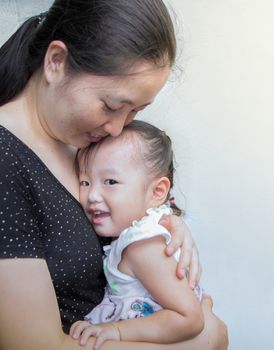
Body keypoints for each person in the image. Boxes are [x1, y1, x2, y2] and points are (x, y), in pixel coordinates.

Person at [0, 1, 228, 349]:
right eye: (111, 106)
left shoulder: (86, 147)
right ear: (56, 62)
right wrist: (201, 342)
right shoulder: (6, 161)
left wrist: (162, 224)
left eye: (135, 111)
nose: (118, 127)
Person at [70, 120, 204, 350]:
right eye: (85, 182)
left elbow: (189, 318)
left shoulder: (142, 246)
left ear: (157, 192)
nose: (92, 195)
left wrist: (116, 331)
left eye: (110, 181)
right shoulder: (142, 230)